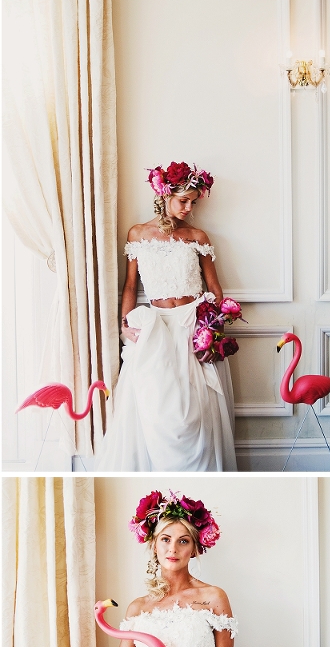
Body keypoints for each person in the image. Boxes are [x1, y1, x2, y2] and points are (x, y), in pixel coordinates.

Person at [95, 161, 236, 471]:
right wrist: (124, 325)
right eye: (183, 200)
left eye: (193, 202)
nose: (188, 208)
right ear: (165, 194)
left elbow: (214, 286)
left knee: (196, 406)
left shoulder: (198, 236)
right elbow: (130, 285)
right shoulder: (138, 233)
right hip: (156, 326)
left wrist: (212, 325)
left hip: (192, 324)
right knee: (156, 404)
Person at [109, 491, 237, 647]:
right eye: (166, 539)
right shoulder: (138, 607)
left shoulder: (214, 597)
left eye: (183, 541)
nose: (173, 549)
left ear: (195, 548)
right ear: (154, 545)